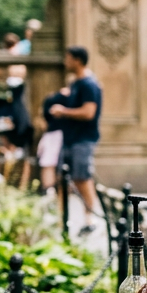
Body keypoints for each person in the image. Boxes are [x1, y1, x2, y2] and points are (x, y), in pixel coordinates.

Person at [46, 46, 102, 236]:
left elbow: (89, 112)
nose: (65, 62)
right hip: (69, 138)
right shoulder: (76, 83)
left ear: (78, 60)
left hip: (83, 139)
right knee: (63, 179)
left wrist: (63, 111)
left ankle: (90, 219)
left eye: (68, 58)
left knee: (82, 178)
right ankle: (61, 219)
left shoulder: (89, 84)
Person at [0, 34, 32, 188]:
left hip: (14, 114)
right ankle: (3, 178)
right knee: (7, 144)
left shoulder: (16, 73)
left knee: (15, 144)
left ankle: (13, 181)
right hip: (8, 113)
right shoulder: (4, 74)